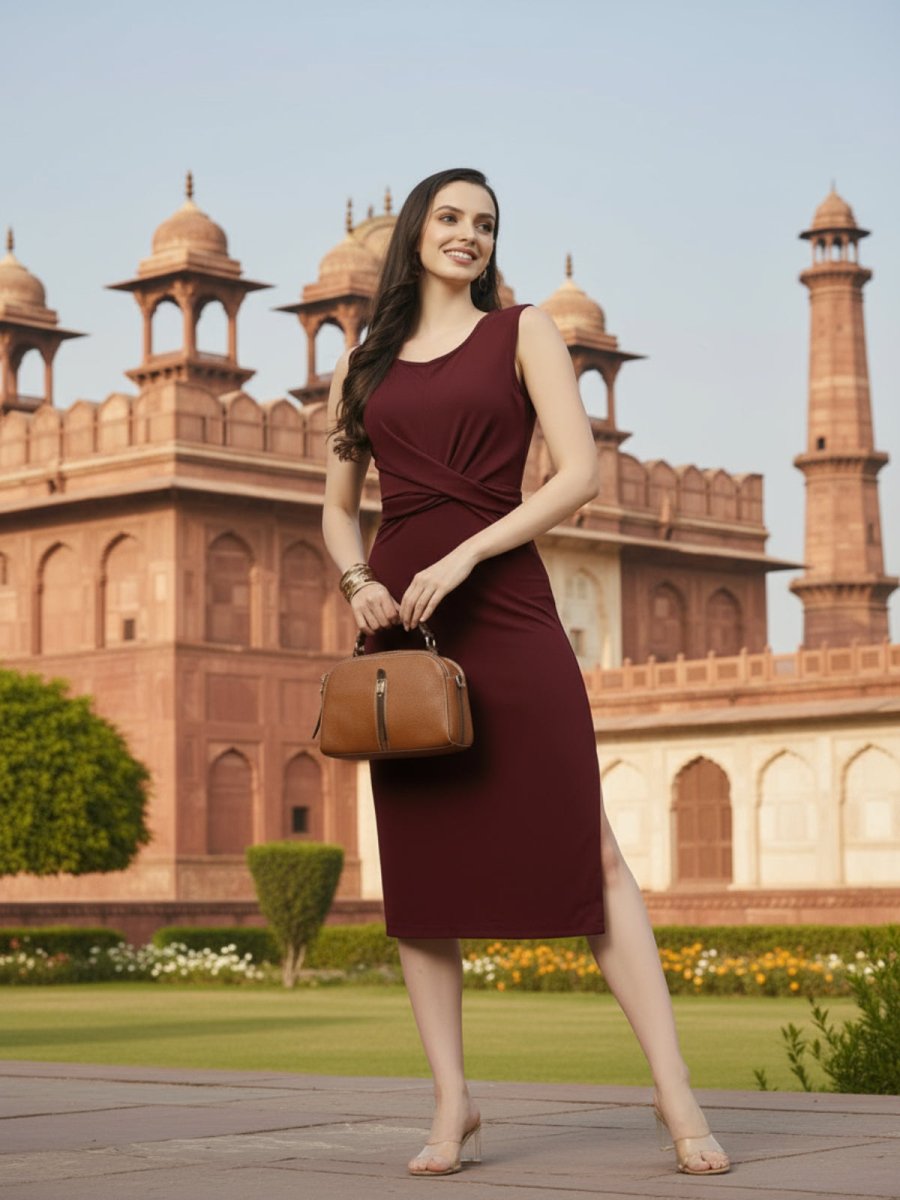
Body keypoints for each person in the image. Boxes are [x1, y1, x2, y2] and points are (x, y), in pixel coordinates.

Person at [321, 167, 731, 1179]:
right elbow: (335, 505)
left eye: (485, 224)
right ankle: (453, 1103)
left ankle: (674, 1085)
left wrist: (466, 555)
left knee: (587, 848)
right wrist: (359, 579)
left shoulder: (524, 331)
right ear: (416, 232)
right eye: (451, 218)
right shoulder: (363, 366)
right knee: (420, 877)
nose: (468, 234)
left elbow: (582, 474)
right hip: (405, 626)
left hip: (504, 604)